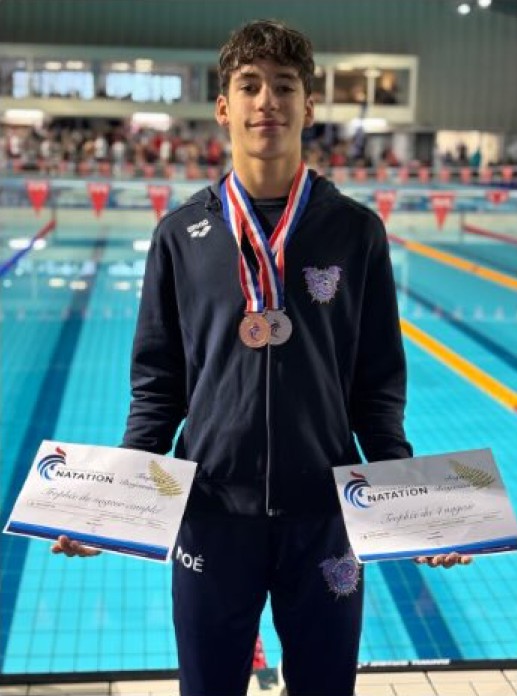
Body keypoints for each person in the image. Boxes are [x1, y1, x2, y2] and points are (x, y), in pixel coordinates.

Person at [52, 20, 471, 696]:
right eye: (249, 86)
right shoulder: (181, 234)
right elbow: (158, 386)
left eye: (284, 86)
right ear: (224, 108)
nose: (266, 101)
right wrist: (113, 499)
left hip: (325, 519)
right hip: (212, 516)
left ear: (310, 106)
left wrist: (414, 510)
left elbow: (376, 389)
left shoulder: (355, 231)